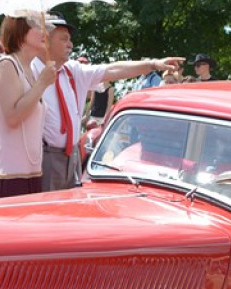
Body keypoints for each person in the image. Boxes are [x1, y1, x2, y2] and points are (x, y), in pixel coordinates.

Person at [33, 13, 184, 192]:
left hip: (71, 156)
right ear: (45, 41)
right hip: (44, 157)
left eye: (70, 39)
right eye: (64, 39)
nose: (70, 45)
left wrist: (153, 64)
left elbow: (113, 69)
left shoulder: (73, 71)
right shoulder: (31, 70)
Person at [0, 12, 58, 199]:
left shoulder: (29, 69)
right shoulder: (7, 65)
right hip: (7, 175)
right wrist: (42, 84)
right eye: (37, 26)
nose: (45, 32)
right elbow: (12, 117)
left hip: (30, 173)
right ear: (20, 31)